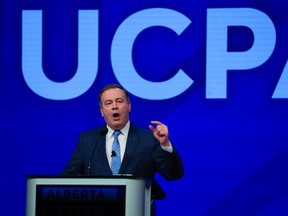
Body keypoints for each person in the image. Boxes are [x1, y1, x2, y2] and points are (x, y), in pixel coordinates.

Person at [61, 83, 184, 215]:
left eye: (119, 101)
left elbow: (173, 174)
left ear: (129, 106)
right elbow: (67, 178)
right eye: (108, 103)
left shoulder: (148, 138)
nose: (114, 106)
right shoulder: (88, 140)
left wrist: (165, 144)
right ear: (102, 111)